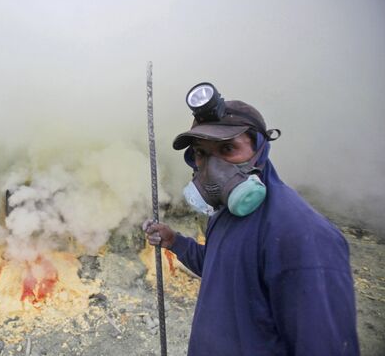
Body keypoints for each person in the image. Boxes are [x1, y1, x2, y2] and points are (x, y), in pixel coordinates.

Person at [143, 82, 359, 355]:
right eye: (201, 153)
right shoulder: (225, 213)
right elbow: (222, 268)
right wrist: (175, 241)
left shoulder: (304, 236)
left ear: (260, 149)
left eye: (228, 149)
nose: (212, 169)